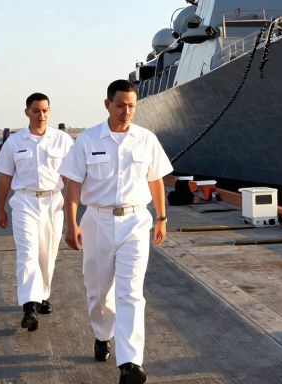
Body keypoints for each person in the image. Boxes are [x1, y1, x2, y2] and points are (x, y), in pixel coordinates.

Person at [60, 80, 172, 384]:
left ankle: (130, 363)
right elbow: (72, 184)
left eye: (132, 106)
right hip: (97, 221)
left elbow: (156, 180)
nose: (126, 111)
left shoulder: (146, 140)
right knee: (98, 292)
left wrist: (161, 217)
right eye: (121, 105)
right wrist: (71, 224)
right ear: (107, 104)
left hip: (136, 222)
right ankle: (102, 333)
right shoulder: (88, 140)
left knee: (131, 292)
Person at [0, 92, 75, 332]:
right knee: (27, 253)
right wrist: (0, 208)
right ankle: (29, 306)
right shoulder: (14, 143)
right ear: (27, 111)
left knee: (47, 254)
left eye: (45, 111)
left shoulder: (62, 141)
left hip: (53, 203)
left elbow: (72, 178)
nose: (41, 115)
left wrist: (73, 212)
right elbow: (5, 177)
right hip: (25, 203)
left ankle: (42, 295)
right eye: (36, 110)